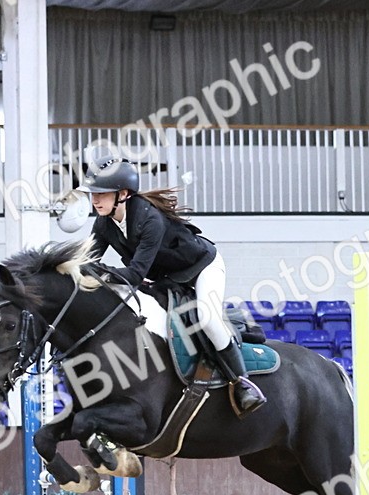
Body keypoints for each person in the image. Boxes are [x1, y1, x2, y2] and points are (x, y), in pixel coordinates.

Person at [77, 158, 266, 417]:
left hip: (201, 268)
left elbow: (134, 275)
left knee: (208, 319)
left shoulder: (149, 219)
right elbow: (88, 261)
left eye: (101, 194)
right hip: (167, 278)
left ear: (122, 194)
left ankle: (243, 383)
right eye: (93, 195)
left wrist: (100, 275)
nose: (95, 200)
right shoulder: (104, 223)